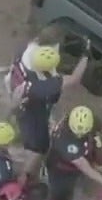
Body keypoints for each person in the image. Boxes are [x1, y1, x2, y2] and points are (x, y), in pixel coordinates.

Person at [14, 40, 90, 183]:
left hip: (24, 110)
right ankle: (22, 181)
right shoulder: (45, 86)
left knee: (29, 141)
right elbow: (74, 80)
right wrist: (86, 55)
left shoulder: (26, 58)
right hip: (34, 117)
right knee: (38, 150)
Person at [3, 24, 66, 102]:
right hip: (28, 87)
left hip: (13, 80)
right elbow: (61, 81)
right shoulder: (41, 58)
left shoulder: (30, 46)